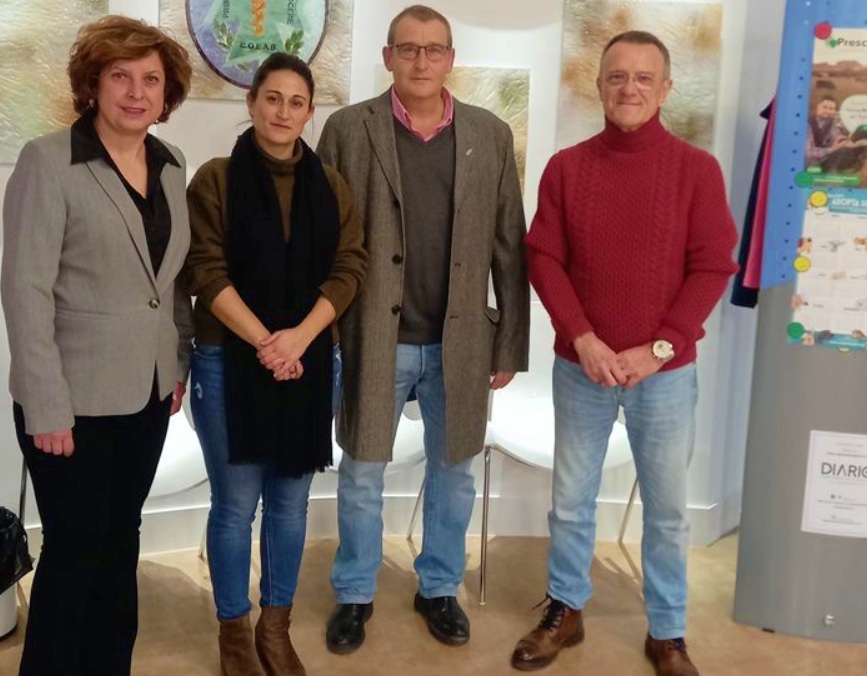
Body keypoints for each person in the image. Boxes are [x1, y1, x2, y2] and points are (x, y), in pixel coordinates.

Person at [511, 31, 738, 676]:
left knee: (666, 511)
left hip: (662, 376)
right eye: (617, 77)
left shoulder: (696, 171)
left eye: (644, 78)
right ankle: (566, 609)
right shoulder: (567, 167)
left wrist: (658, 349)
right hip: (581, 366)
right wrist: (582, 337)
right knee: (570, 500)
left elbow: (713, 265)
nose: (629, 88)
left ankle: (667, 632)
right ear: (600, 85)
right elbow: (543, 257)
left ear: (665, 89)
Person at [316, 4, 529, 654]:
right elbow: (324, 240)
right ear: (387, 57)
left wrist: (510, 341)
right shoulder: (350, 129)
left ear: (450, 58)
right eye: (408, 49)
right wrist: (321, 333)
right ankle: (354, 593)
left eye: (434, 49)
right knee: (360, 474)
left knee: (455, 472)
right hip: (372, 340)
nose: (421, 61)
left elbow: (509, 247)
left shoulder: (490, 134)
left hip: (460, 343)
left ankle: (438, 586)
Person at [0, 15, 194, 676]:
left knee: (121, 544)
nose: (136, 92)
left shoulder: (172, 166)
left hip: (146, 393)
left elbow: (169, 286)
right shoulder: (49, 161)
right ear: (93, 85)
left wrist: (176, 364)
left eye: (151, 79)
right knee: (75, 550)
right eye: (121, 76)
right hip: (70, 404)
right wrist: (45, 405)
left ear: (167, 94)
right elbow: (25, 291)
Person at [182, 52, 367, 676]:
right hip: (226, 360)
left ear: (310, 112)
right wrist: (270, 342)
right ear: (251, 102)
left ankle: (275, 628)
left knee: (290, 506)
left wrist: (299, 341)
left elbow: (350, 267)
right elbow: (205, 272)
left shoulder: (332, 185)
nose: (283, 111)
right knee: (235, 507)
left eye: (297, 102)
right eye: (272, 98)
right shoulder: (214, 179)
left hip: (311, 361)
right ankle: (234, 634)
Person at [805, 95, 862, 167]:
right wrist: (831, 150)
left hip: (824, 165)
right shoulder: (807, 124)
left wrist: (854, 144)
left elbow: (836, 137)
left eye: (831, 109)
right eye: (824, 107)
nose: (827, 111)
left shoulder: (832, 124)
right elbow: (807, 153)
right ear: (817, 107)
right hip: (806, 166)